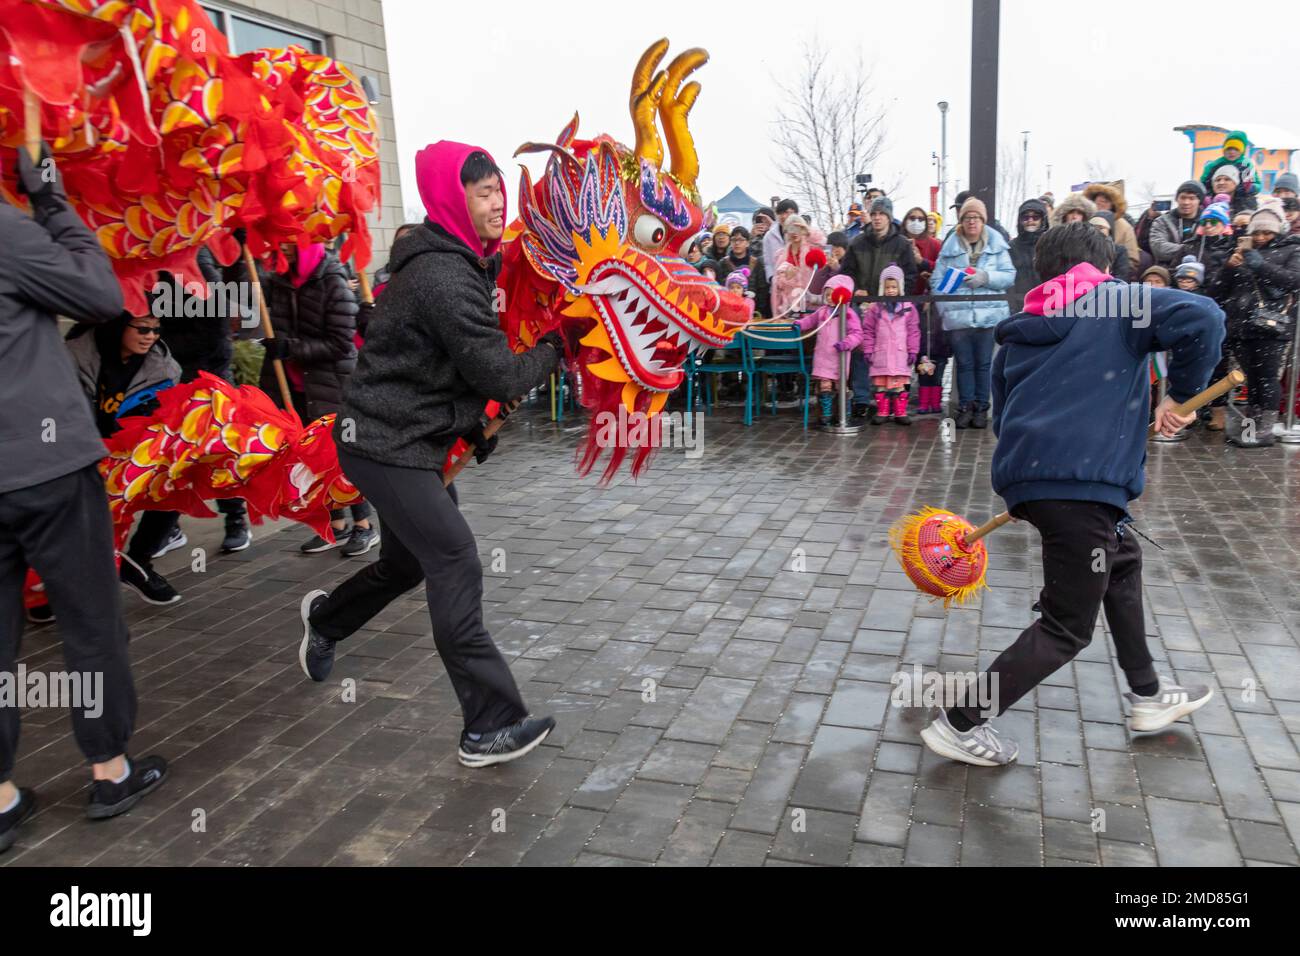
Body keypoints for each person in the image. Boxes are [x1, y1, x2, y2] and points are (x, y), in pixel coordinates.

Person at [297, 142, 562, 767]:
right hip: (385, 447)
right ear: (452, 200)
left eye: (498, 189)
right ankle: (488, 725)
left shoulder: (463, 264)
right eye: (481, 193)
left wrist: (472, 428)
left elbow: (451, 375)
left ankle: (327, 620)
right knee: (454, 558)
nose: (498, 202)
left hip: (411, 442)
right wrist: (561, 345)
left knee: (407, 565)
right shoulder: (445, 274)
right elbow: (498, 374)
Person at [919, 223, 1223, 767]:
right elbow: (1205, 316)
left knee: (1121, 562)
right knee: (1065, 626)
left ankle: (1148, 694)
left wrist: (1030, 482)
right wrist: (1181, 394)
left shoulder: (1023, 323)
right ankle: (959, 724)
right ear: (1104, 266)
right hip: (1082, 487)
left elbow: (1003, 409)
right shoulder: (1117, 301)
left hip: (1033, 480)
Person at [1, 145, 169, 851]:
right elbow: (100, 295)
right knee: (90, 620)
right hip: (44, 465)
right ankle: (108, 767)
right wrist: (51, 200)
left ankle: (2, 795)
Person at [261, 242, 378, 557]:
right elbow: (247, 295)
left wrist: (291, 349)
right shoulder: (278, 281)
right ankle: (335, 525)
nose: (280, 248)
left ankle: (364, 525)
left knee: (342, 459)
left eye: (287, 242)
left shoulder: (333, 282)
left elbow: (341, 344)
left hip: (332, 384)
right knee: (311, 459)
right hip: (295, 388)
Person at [66, 313, 185, 606]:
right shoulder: (70, 358)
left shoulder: (164, 370)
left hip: (126, 453)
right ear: (117, 325)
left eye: (156, 329)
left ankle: (139, 561)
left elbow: (163, 422)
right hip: (71, 450)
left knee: (177, 481)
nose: (151, 336)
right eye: (143, 328)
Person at [151, 246, 253, 555]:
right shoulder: (153, 265)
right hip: (166, 376)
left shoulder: (195, 261)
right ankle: (168, 526)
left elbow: (218, 326)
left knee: (217, 450)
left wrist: (160, 341)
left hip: (208, 376)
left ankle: (236, 519)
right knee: (167, 452)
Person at [1206, 200, 1300, 447]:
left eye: (1266, 232)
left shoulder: (1292, 250)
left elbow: (1293, 281)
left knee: (1267, 379)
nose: (1260, 237)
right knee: (1252, 380)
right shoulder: (1240, 252)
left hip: (1271, 327)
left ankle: (1264, 431)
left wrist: (1261, 265)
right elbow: (1216, 291)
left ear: (1278, 231)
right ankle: (1250, 431)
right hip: (1240, 326)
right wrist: (1229, 268)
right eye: (1256, 232)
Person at [932, 195, 1014, 428]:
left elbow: (1009, 276)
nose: (972, 222)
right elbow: (938, 283)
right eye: (968, 217)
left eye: (976, 217)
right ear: (961, 220)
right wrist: (947, 310)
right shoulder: (949, 248)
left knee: (985, 364)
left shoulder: (998, 245)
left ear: (983, 220)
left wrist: (986, 277)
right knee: (964, 364)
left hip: (989, 317)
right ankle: (965, 407)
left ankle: (981, 408)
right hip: (959, 318)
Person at [837, 196, 918, 418]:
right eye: (873, 214)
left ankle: (892, 400)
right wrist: (855, 290)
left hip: (892, 309)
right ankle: (863, 398)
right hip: (863, 307)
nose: (877, 218)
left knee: (892, 353)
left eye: (881, 214)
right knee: (862, 351)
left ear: (889, 217)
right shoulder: (857, 243)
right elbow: (846, 273)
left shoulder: (902, 244)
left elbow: (910, 276)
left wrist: (893, 297)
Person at [793, 275, 863, 427]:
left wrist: (847, 343)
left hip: (840, 358)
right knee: (825, 386)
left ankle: (844, 414)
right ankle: (826, 414)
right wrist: (799, 324)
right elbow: (810, 321)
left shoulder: (849, 314)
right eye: (827, 294)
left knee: (841, 386)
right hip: (823, 357)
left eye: (833, 294)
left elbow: (857, 334)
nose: (830, 298)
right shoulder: (822, 312)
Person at [859, 264, 921, 425]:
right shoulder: (875, 308)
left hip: (901, 354)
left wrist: (913, 350)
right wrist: (868, 349)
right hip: (881, 354)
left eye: (894, 286)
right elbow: (868, 331)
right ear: (882, 287)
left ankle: (900, 411)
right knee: (881, 385)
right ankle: (883, 410)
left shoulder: (908, 308)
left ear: (900, 287)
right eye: (887, 287)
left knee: (900, 385)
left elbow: (914, 330)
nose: (891, 290)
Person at [770, 216, 825, 316]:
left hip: (809, 304)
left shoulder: (812, 250)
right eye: (791, 229)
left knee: (808, 329)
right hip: (788, 307)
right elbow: (777, 285)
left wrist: (808, 230)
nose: (794, 232)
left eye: (798, 229)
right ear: (786, 231)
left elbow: (823, 241)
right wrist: (788, 278)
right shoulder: (780, 255)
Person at [1150, 181, 1207, 267]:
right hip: (1167, 272)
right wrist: (1186, 250)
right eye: (1183, 198)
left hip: (1200, 272)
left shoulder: (1208, 222)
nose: (1186, 202)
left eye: (1192, 198)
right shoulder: (1162, 221)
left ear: (1199, 201)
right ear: (1177, 199)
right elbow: (1158, 247)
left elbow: (1210, 250)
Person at [1083, 182, 1139, 266]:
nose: (1101, 203)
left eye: (1106, 200)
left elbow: (1132, 259)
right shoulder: (1083, 222)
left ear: (1113, 204)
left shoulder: (1125, 227)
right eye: (1098, 200)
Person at [1008, 198, 1049, 312]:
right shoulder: (1011, 247)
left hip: (1046, 306)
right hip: (1019, 307)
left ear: (1043, 220)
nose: (1030, 221)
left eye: (1035, 217)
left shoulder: (1051, 245)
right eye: (1025, 217)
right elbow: (1009, 283)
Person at [1199, 130, 1260, 199]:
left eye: (1236, 149)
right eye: (1229, 149)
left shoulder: (1246, 165)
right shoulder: (1214, 165)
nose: (1232, 152)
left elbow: (1257, 185)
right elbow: (1202, 185)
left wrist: (1251, 188)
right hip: (1216, 200)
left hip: (1241, 201)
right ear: (1224, 150)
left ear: (1242, 151)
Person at [902, 206, 941, 295]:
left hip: (924, 296)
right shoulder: (897, 242)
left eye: (921, 219)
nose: (916, 222)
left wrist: (922, 261)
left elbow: (942, 267)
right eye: (912, 218)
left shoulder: (935, 244)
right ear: (905, 221)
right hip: (898, 296)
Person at [763, 199, 800, 278]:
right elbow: (768, 262)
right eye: (781, 213)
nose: (784, 216)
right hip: (778, 281)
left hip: (799, 280)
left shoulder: (802, 233)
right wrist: (772, 278)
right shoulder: (769, 236)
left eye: (788, 212)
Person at [1089, 212, 1131, 280]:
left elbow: (1122, 275)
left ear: (1109, 230)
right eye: (1093, 227)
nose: (1097, 230)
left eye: (1101, 228)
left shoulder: (1119, 250)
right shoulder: (1083, 250)